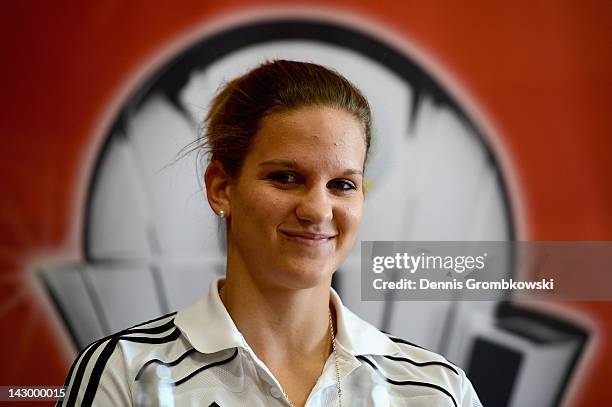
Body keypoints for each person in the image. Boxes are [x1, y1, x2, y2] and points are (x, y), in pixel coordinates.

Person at [59, 60, 482, 407]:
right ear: (222, 188)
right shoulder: (125, 375)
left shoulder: (437, 390)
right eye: (285, 177)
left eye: (343, 185)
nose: (318, 209)